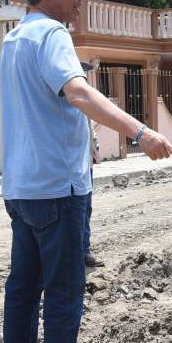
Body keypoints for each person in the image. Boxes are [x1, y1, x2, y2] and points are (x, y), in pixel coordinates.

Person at [0, 0, 172, 343]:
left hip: (23, 187)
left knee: (23, 286)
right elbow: (77, 92)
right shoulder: (52, 35)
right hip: (58, 187)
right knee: (63, 288)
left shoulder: (13, 39)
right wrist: (140, 132)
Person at [79, 61, 105, 269]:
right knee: (78, 208)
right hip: (73, 164)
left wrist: (95, 147)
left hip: (86, 161)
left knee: (85, 207)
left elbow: (89, 127)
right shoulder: (72, 98)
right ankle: (80, 251)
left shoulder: (83, 99)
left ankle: (84, 249)